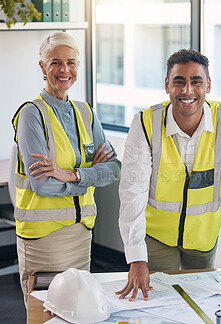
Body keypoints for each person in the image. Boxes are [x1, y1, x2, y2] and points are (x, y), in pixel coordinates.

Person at [117, 49, 221, 301]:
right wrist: (136, 257)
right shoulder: (145, 123)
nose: (187, 90)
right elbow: (132, 192)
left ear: (208, 85)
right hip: (157, 239)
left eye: (196, 81)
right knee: (158, 305)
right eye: (179, 81)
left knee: (201, 304)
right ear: (167, 85)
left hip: (203, 240)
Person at [12, 31, 121, 305]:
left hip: (81, 232)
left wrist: (71, 174)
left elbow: (115, 169)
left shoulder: (86, 112)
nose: (64, 70)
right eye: (55, 62)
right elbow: (42, 184)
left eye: (71, 62)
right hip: (45, 238)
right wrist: (92, 176)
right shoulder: (31, 114)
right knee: (46, 312)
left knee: (79, 309)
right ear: (42, 66)